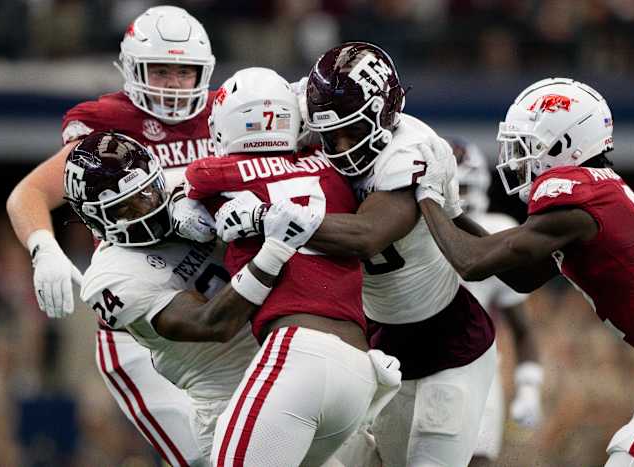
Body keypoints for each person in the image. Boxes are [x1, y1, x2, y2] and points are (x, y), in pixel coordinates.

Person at [210, 42, 497, 467]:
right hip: (376, 338)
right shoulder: (305, 105)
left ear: (387, 112)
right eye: (331, 133)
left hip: (447, 342)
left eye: (353, 130)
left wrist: (262, 215)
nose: (340, 146)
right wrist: (190, 199)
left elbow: (367, 236)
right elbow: (229, 131)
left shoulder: (410, 148)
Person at [415, 77, 634, 467]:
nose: (517, 157)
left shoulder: (574, 198)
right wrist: (451, 210)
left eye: (526, 144)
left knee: (631, 457)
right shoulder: (596, 195)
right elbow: (521, 276)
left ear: (563, 143)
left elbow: (470, 261)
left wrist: (427, 198)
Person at [6, 6, 222, 465]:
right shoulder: (106, 124)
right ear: (131, 69)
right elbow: (28, 193)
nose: (173, 83)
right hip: (140, 317)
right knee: (204, 457)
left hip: (220, 303)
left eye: (184, 72)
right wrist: (44, 248)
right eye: (160, 69)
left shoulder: (228, 111)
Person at [183, 67, 401, 467]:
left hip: (297, 352)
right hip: (358, 370)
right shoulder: (333, 166)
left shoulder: (215, 174)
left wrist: (188, 209)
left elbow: (192, 183)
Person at [65, 131, 320, 465]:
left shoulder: (183, 183)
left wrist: (205, 199)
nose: (149, 208)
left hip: (293, 363)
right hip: (230, 401)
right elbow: (215, 323)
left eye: (149, 192)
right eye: (125, 207)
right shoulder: (110, 278)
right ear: (94, 220)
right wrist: (273, 250)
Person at [446, 137, 544, 467]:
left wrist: (528, 385)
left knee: (478, 461)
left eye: (463, 186)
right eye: (451, 187)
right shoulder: (402, 232)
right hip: (408, 369)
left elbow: (523, 329)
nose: (457, 197)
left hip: (477, 374)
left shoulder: (496, 233)